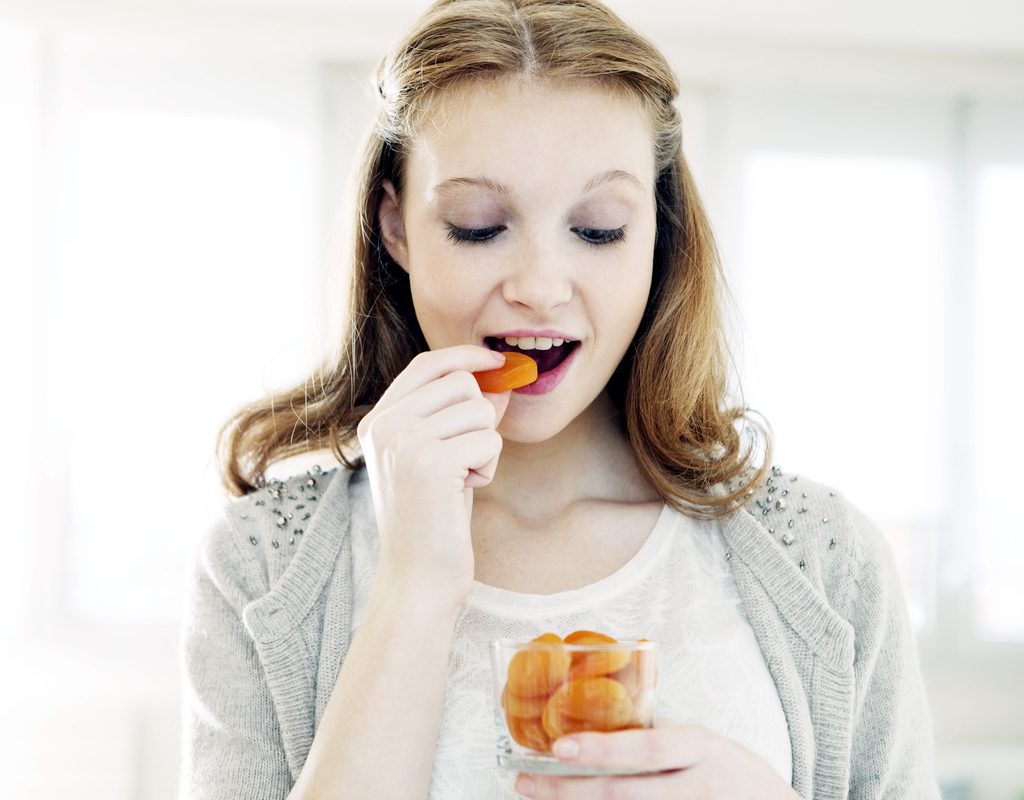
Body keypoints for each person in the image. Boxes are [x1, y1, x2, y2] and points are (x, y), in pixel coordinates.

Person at [179, 1, 941, 797]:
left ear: (659, 232)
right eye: (478, 227)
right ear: (396, 227)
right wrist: (415, 583)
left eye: (600, 229)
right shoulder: (261, 564)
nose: (539, 289)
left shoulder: (825, 559)